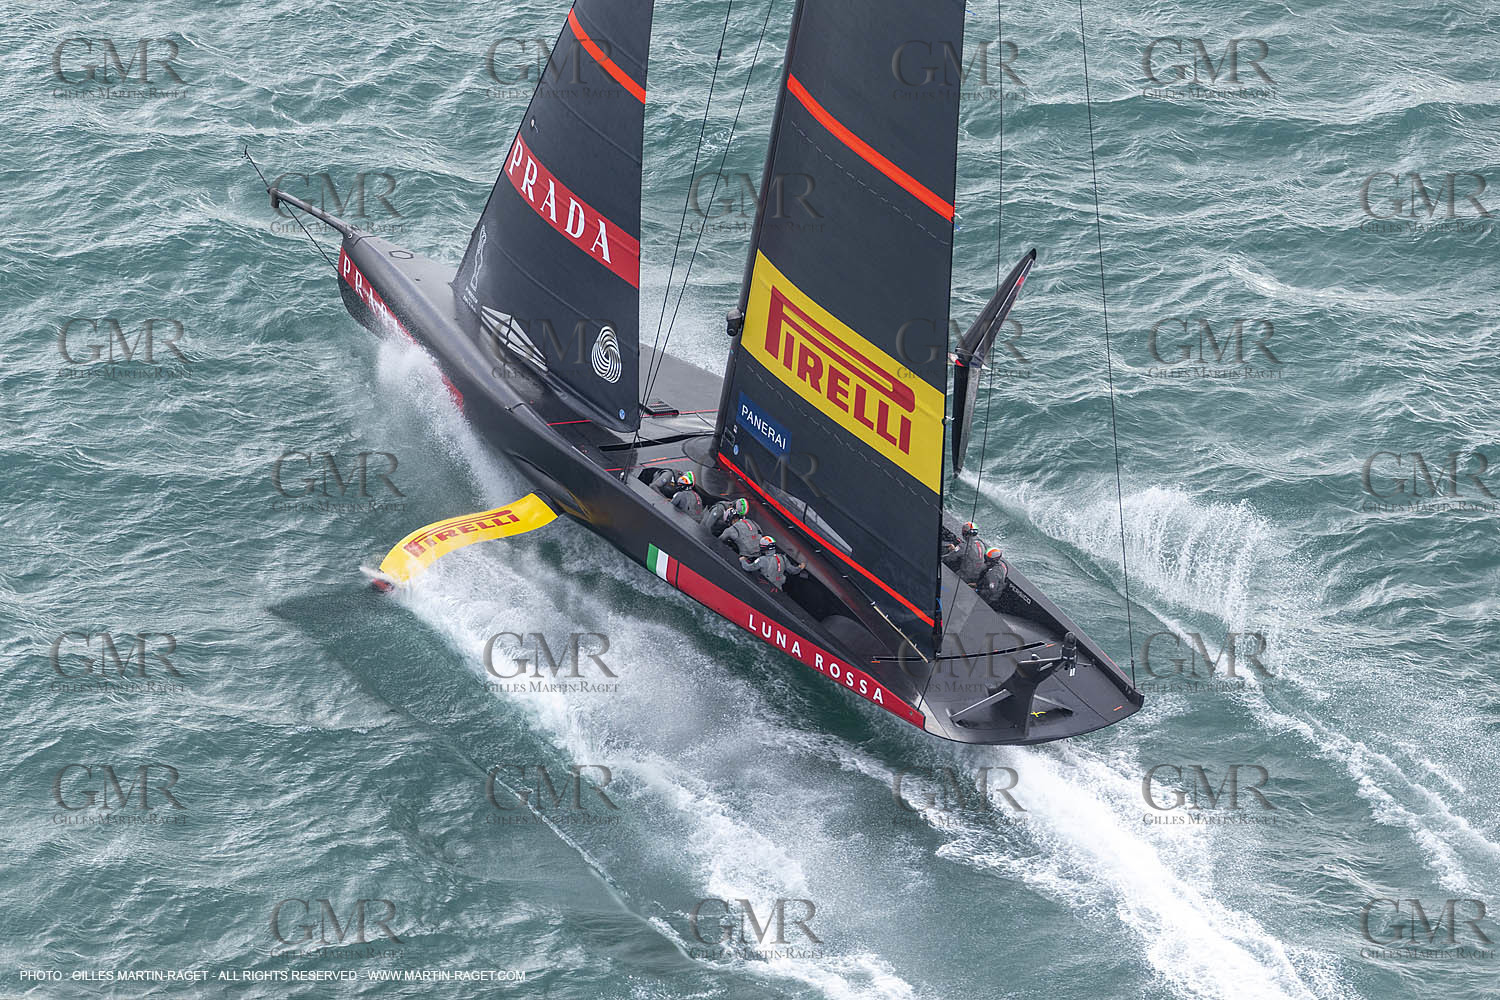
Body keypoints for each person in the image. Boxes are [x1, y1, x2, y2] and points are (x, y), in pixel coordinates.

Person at [738, 535, 805, 592]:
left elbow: (748, 568)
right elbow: (793, 571)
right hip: (779, 590)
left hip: (765, 589)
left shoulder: (762, 559)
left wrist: (743, 560)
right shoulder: (783, 558)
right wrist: (800, 567)